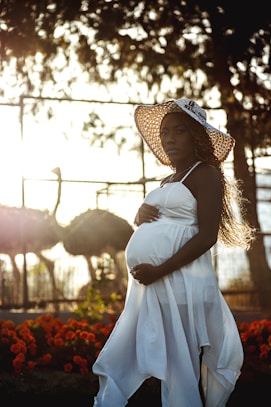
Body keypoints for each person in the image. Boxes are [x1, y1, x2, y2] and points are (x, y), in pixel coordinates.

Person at [92, 98, 255, 407]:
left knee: (178, 366)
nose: (169, 139)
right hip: (151, 285)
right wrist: (140, 215)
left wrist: (159, 270)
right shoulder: (169, 180)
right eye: (165, 133)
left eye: (178, 131)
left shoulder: (205, 174)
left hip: (182, 284)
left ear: (195, 135)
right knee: (122, 353)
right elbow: (166, 221)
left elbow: (206, 235)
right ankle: (107, 401)